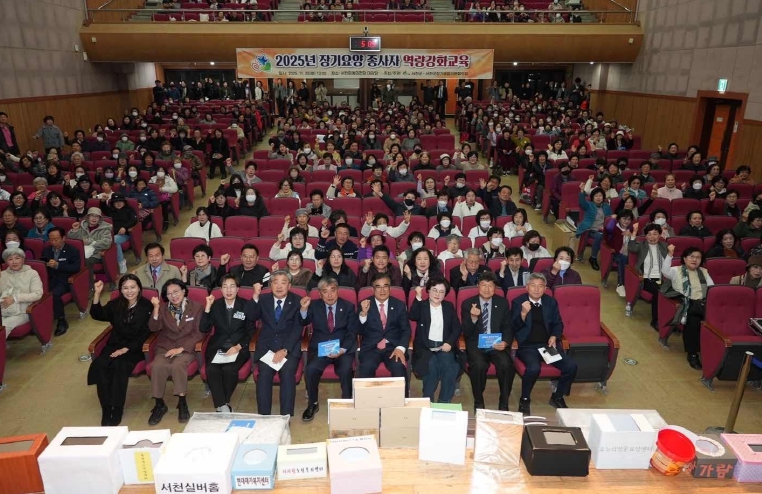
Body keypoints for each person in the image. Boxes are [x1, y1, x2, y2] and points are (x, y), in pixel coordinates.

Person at [88, 276, 151, 426]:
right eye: (125, 288)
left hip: (135, 347)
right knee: (101, 365)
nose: (129, 291)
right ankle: (106, 407)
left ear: (139, 288)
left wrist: (126, 349)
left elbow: (146, 333)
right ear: (121, 290)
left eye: (133, 287)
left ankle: (117, 408)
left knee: (119, 366)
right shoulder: (116, 304)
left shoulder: (146, 306)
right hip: (115, 344)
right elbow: (98, 314)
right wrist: (97, 294)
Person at [512, 273, 577, 415]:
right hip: (527, 346)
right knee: (534, 368)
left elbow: (558, 323)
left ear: (545, 288)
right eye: (533, 285)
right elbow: (512, 327)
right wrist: (523, 314)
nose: (536, 289)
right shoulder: (518, 302)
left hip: (547, 346)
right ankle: (525, 399)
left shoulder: (550, 302)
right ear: (527, 287)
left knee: (571, 366)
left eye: (540, 286)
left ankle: (557, 396)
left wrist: (554, 336)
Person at [147, 278, 205, 425]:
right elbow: (153, 328)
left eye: (176, 291)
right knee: (157, 366)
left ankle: (182, 402)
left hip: (186, 348)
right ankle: (159, 404)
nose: (173, 296)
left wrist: (181, 348)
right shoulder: (163, 309)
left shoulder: (197, 307)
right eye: (169, 294)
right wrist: (155, 308)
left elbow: (199, 333)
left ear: (184, 291)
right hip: (166, 347)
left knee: (178, 365)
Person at [251, 271, 309, 416]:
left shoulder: (297, 301)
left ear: (289, 286)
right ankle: (264, 416)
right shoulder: (263, 299)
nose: (279, 286)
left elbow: (298, 328)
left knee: (287, 373)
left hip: (289, 347)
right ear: (270, 285)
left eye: (283, 283)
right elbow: (251, 316)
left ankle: (286, 416)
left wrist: (285, 349)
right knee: (264, 374)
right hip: (267, 347)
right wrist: (255, 297)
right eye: (275, 282)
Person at [301, 278, 358, 421]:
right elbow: (303, 321)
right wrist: (304, 309)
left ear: (337, 291)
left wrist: (343, 349)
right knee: (311, 369)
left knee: (346, 369)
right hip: (321, 348)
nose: (330, 295)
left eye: (333, 290)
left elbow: (352, 332)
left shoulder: (348, 306)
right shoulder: (314, 306)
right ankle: (313, 403)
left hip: (342, 348)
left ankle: (347, 402)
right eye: (325, 292)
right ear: (320, 294)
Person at [200, 274, 257, 413]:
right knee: (211, 369)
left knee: (229, 370)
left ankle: (222, 403)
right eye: (225, 287)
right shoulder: (215, 305)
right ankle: (223, 405)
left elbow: (251, 331)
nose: (229, 290)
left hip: (239, 347)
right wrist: (207, 307)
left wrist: (239, 346)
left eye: (232, 286)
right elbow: (204, 328)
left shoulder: (246, 305)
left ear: (238, 289)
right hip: (218, 345)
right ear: (220, 290)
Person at [460, 271, 514, 411]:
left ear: (495, 287)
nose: (487, 289)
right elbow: (466, 332)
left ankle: (504, 402)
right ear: (478, 286)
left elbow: (508, 326)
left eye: (490, 285)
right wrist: (473, 318)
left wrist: (505, 342)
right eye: (484, 285)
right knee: (478, 365)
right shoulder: (468, 303)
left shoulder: (502, 303)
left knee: (506, 364)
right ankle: (478, 401)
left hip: (496, 343)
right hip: (476, 343)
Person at [661, 245, 714, 370]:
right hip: (685, 304)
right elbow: (664, 271)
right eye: (691, 257)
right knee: (694, 319)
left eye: (698, 257)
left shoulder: (704, 272)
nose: (695, 260)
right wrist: (670, 254)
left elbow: (712, 289)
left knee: (705, 312)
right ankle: (692, 354)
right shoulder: (676, 270)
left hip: (703, 303)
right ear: (684, 258)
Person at [410, 278, 462, 403]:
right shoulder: (422, 305)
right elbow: (412, 315)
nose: (437, 294)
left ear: (445, 294)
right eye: (434, 290)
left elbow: (457, 328)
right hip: (425, 348)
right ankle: (428, 400)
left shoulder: (448, 307)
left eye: (441, 292)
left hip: (443, 347)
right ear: (428, 290)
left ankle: (444, 401)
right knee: (431, 366)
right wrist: (418, 298)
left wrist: (449, 342)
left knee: (449, 366)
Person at [357, 272, 411, 394]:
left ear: (390, 288)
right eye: (378, 287)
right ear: (373, 289)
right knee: (366, 367)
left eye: (385, 286)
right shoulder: (365, 304)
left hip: (393, 347)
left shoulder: (399, 305)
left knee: (398, 367)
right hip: (371, 348)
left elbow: (406, 329)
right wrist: (363, 314)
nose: (382, 290)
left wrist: (400, 348)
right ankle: (364, 402)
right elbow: (359, 330)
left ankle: (402, 401)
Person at [40, 227, 81, 336]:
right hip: (49, 279)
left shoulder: (72, 250)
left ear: (63, 238)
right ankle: (39, 322)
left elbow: (76, 267)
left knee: (54, 294)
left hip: (65, 280)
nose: (53, 242)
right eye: (51, 240)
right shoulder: (46, 250)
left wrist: (58, 265)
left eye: (56, 239)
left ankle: (61, 320)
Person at [0, 247, 43, 338]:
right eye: (10, 259)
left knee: (4, 326)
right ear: (6, 262)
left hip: (23, 312)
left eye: (17, 258)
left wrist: (15, 298)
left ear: (23, 259)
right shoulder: (3, 274)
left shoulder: (32, 273)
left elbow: (37, 294)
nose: (14, 262)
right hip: (3, 310)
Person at [67, 207, 113, 285]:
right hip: (82, 252)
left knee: (85, 262)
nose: (94, 218)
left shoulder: (105, 229)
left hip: (96, 254)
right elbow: (71, 239)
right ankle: (76, 283)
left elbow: (107, 243)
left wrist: (91, 242)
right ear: (88, 217)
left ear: (99, 219)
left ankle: (90, 285)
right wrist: (75, 230)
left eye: (97, 216)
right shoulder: (83, 226)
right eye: (92, 216)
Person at [577, 183, 613, 271]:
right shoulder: (589, 205)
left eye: (600, 195)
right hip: (590, 230)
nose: (598, 198)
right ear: (592, 198)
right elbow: (582, 202)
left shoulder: (606, 206)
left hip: (604, 230)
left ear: (603, 197)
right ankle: (593, 258)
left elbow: (609, 219)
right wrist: (582, 191)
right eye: (596, 196)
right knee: (599, 235)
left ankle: (612, 260)